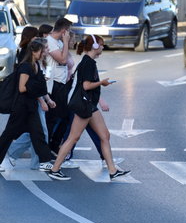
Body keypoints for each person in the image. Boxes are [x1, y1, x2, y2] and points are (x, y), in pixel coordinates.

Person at [48, 35, 131, 181]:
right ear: (94, 46)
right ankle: (55, 169)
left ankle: (112, 170)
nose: (103, 47)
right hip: (83, 105)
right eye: (101, 44)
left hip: (89, 105)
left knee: (105, 136)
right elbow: (86, 86)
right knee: (73, 137)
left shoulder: (89, 62)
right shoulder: (88, 63)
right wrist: (102, 83)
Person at [0, 40, 54, 173]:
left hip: (30, 106)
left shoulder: (35, 64)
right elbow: (22, 88)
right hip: (21, 107)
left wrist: (45, 97)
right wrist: (37, 85)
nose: (43, 53)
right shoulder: (25, 67)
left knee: (38, 133)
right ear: (34, 51)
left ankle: (44, 161)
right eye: (42, 51)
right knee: (8, 135)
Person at [45, 18, 72, 157]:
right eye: (68, 31)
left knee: (64, 117)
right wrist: (66, 43)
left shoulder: (59, 42)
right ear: (63, 31)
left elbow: (69, 60)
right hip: (53, 84)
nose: (69, 34)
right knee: (53, 118)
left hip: (62, 83)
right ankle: (49, 146)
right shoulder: (50, 42)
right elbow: (62, 59)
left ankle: (53, 145)